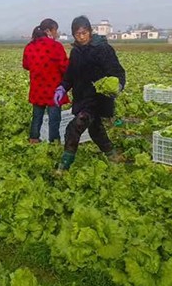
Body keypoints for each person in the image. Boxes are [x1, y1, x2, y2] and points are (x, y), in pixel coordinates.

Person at [54, 16, 126, 171]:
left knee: (75, 126)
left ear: (90, 32)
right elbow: (70, 75)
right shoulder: (76, 52)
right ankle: (112, 155)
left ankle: (64, 166)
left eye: (84, 32)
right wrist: (62, 87)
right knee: (95, 129)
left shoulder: (103, 49)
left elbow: (117, 72)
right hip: (82, 96)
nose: (81, 37)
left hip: (98, 98)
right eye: (77, 34)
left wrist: (118, 85)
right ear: (73, 35)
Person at [22, 18, 69, 143]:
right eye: (55, 30)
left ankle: (34, 139)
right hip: (53, 88)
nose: (57, 34)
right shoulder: (56, 46)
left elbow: (26, 65)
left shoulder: (30, 46)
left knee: (37, 116)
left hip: (37, 87)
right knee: (54, 118)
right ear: (48, 31)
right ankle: (53, 142)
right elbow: (65, 66)